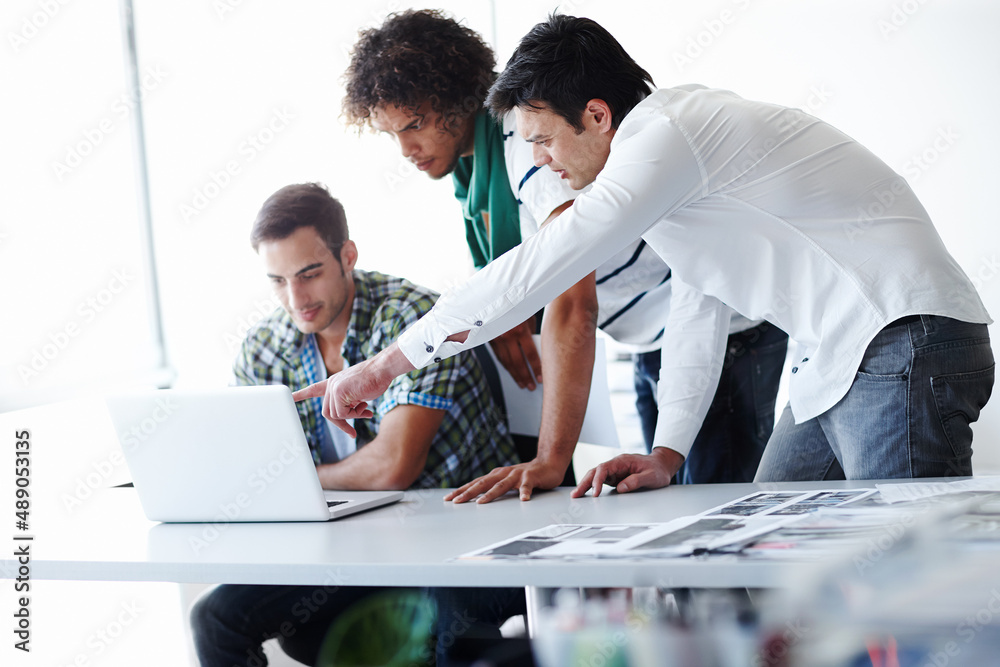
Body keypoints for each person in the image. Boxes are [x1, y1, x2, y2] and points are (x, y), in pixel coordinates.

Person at [300, 14, 993, 495]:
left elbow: (551, 260)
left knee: (907, 581)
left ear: (597, 116)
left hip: (903, 336)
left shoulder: (666, 136)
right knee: (768, 557)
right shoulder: (670, 177)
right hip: (840, 357)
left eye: (543, 140)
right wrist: (668, 453)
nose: (538, 162)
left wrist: (386, 363)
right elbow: (699, 305)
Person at [341, 9, 788, 501]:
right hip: (653, 339)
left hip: (720, 335)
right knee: (673, 508)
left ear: (456, 96)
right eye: (392, 134)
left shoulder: (531, 149)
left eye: (415, 124)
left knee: (714, 523)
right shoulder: (476, 174)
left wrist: (552, 459)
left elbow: (571, 298)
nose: (405, 148)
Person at [190, 182, 518, 667]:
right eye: (277, 281)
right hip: (353, 547)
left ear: (347, 255)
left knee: (446, 632)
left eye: (309, 273)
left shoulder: (412, 318)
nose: (295, 297)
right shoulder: (264, 349)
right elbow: (255, 470)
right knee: (215, 618)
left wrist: (289, 481)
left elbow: (392, 467)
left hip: (460, 535)